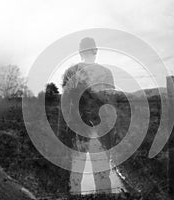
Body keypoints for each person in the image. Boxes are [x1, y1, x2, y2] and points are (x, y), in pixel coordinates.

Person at [58, 37, 116, 194]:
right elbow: (111, 105)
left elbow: (64, 105)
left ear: (80, 52)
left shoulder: (71, 72)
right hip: (98, 131)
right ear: (95, 51)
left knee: (75, 177)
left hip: (79, 131)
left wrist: (61, 133)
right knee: (101, 176)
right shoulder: (106, 73)